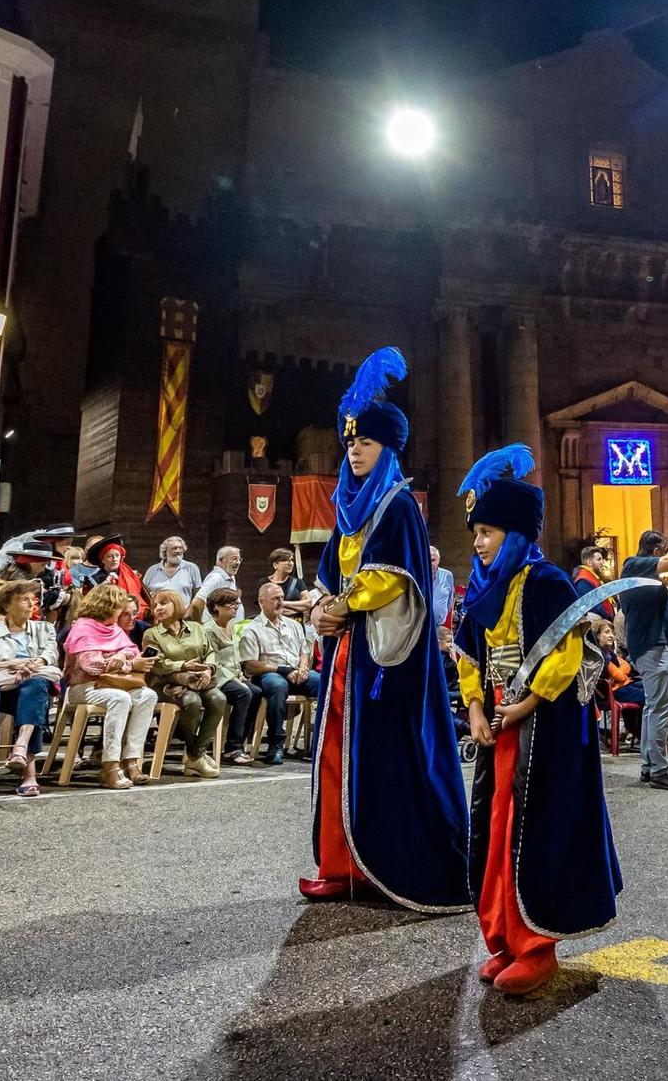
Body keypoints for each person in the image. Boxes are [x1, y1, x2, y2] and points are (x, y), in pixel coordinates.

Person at [302, 347, 471, 911]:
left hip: (385, 659)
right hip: (347, 650)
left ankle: (388, 865)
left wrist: (342, 606)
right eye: (350, 443)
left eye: (366, 443)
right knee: (335, 755)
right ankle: (339, 863)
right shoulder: (347, 508)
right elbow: (332, 572)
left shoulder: (398, 506)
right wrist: (323, 604)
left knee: (384, 759)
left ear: (388, 449)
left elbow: (389, 579)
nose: (354, 451)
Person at [452, 444, 620, 997]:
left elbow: (566, 654)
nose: (478, 542)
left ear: (518, 534)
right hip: (498, 728)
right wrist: (476, 707)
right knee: (496, 831)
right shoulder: (481, 588)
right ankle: (501, 937)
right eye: (476, 532)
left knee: (537, 831)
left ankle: (537, 946)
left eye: (489, 532)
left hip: (543, 728)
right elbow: (470, 655)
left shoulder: (546, 582)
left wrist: (526, 704)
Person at [0, 578, 60, 797]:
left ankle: (22, 752)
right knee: (34, 693)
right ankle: (27, 769)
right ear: (7, 605)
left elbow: (50, 655)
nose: (30, 604)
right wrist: (10, 664)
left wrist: (33, 664)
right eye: (23, 599)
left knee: (35, 686)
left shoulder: (45, 629)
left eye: (32, 599)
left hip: (34, 681)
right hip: (1, 690)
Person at [60, 584, 160, 789]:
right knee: (120, 698)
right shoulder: (83, 627)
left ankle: (131, 759)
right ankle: (110, 764)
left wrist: (121, 656)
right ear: (107, 606)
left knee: (148, 695)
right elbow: (92, 666)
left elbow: (131, 649)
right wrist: (128, 664)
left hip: (113, 684)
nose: (122, 612)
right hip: (84, 687)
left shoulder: (113, 628)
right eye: (119, 608)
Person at [620, 530, 668, 790]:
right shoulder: (633, 565)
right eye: (665, 550)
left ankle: (649, 766)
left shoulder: (650, 580)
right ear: (656, 553)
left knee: (655, 706)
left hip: (658, 645)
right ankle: (660, 770)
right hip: (652, 645)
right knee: (661, 706)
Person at [145, 587, 224, 777]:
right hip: (166, 684)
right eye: (155, 605)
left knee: (218, 699)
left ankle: (195, 755)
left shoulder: (196, 628)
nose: (158, 608)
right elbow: (157, 664)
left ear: (177, 605)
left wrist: (208, 668)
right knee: (192, 701)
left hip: (198, 680)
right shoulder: (151, 634)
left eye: (164, 603)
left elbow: (211, 652)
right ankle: (196, 755)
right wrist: (183, 666)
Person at [240, 580, 319, 765]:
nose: (280, 603)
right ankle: (276, 743)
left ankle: (320, 739)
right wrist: (283, 670)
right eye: (275, 599)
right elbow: (250, 666)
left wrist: (304, 666)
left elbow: (303, 652)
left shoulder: (293, 625)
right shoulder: (252, 629)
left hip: (295, 671)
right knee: (277, 685)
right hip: (269, 673)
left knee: (325, 683)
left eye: (282, 598)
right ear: (262, 602)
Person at [198, 588, 257, 764]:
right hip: (219, 678)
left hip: (233, 676)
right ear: (217, 607)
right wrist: (235, 681)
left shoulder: (231, 626)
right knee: (243, 693)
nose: (235, 607)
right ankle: (233, 747)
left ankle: (241, 741)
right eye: (231, 604)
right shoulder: (209, 630)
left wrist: (240, 677)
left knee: (258, 692)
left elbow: (234, 657)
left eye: (236, 603)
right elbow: (213, 661)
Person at [87, 536, 147, 622]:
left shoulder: (131, 575)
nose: (114, 559)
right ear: (103, 559)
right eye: (109, 556)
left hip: (132, 616)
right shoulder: (94, 579)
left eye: (117, 555)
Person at [144, 536, 203, 613]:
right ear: (165, 551)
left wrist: (189, 612)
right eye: (174, 548)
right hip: (157, 616)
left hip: (183, 617)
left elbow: (198, 595)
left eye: (180, 548)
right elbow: (144, 593)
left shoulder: (191, 568)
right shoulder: (152, 570)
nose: (178, 551)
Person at [430, 545, 456, 647]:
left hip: (439, 628)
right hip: (420, 628)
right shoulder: (418, 576)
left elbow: (450, 602)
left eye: (433, 560)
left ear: (438, 560)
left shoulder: (447, 575)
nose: (430, 564)